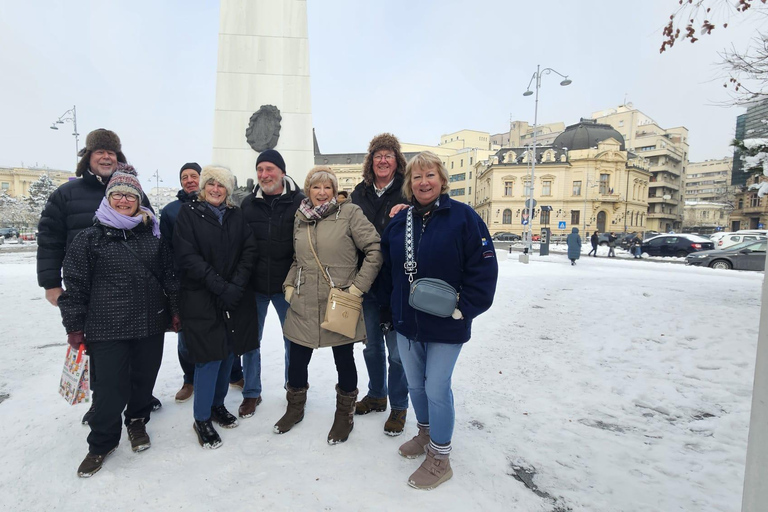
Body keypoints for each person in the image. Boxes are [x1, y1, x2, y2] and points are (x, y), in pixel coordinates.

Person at [380, 151, 498, 490]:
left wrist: (466, 308)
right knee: (415, 385)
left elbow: (484, 269)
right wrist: (389, 311)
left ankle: (440, 457)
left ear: (442, 180)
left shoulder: (464, 218)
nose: (423, 182)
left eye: (429, 175)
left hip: (448, 322)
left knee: (436, 386)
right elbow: (387, 271)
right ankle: (426, 434)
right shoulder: (400, 221)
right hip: (407, 321)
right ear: (409, 184)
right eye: (416, 177)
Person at [58, 165, 180, 477]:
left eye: (130, 195)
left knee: (143, 381)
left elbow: (170, 277)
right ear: (108, 198)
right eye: (118, 195)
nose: (124, 200)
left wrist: (176, 310)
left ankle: (137, 421)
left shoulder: (153, 235)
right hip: (106, 326)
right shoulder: (90, 238)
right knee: (109, 388)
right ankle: (101, 443)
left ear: (139, 199)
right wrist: (74, 326)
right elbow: (75, 284)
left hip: (149, 324)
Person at [37, 129, 161, 424]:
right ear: (88, 158)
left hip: (130, 287)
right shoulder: (66, 194)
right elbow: (50, 239)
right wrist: (51, 283)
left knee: (136, 348)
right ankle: (102, 402)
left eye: (112, 153)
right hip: (89, 288)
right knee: (100, 350)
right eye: (99, 152)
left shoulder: (136, 192)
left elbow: (150, 231)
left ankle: (137, 397)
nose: (106, 157)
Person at [275, 166, 382, 445]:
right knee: (297, 359)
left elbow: (374, 250)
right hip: (304, 300)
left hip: (339, 302)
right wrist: (288, 286)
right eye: (316, 187)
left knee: (344, 359)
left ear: (335, 191)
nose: (322, 193)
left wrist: (357, 288)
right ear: (308, 190)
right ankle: (295, 408)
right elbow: (299, 259)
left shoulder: (349, 213)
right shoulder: (301, 217)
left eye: (327, 188)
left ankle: (344, 414)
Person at [173, 165, 259, 449]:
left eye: (221, 185)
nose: (215, 189)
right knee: (208, 357)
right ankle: (201, 417)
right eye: (210, 184)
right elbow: (188, 256)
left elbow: (249, 250)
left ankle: (217, 405)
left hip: (233, 297)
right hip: (201, 296)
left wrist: (235, 285)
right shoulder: (189, 214)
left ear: (228, 190)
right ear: (203, 187)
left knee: (227, 353)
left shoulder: (236, 215)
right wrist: (220, 285)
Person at [350, 133, 411, 436]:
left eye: (388, 155)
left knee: (398, 353)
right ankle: (376, 395)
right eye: (378, 155)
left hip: (400, 284)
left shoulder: (408, 190)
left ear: (397, 161)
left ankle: (399, 405)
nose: (383, 160)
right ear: (370, 161)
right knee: (372, 347)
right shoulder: (359, 193)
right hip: (368, 282)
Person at [238, 149, 305, 418]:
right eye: (260, 170)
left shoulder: (299, 201)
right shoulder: (247, 204)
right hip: (254, 286)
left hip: (286, 286)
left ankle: (294, 389)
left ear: (282, 171)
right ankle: (252, 393)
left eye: (270, 169)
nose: (264, 175)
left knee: (293, 341)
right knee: (250, 342)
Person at [160, 162, 202, 404]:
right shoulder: (170, 211)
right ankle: (190, 379)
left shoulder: (213, 203)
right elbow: (164, 247)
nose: (189, 180)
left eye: (193, 176)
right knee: (184, 335)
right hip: (182, 282)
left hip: (210, 280)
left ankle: (232, 373)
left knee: (222, 332)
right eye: (184, 177)